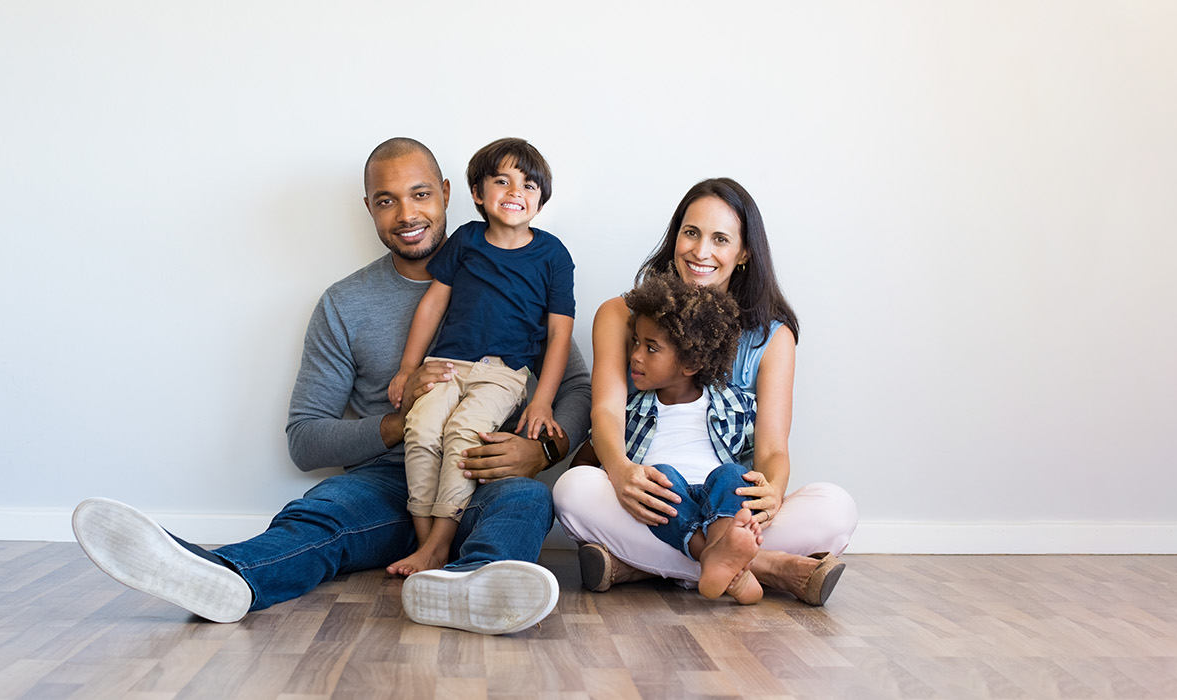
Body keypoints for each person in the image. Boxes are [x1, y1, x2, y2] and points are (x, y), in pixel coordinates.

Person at [72, 137, 593, 635]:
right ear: (369, 208)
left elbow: (574, 386)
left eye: (420, 194)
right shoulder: (345, 304)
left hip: (485, 474)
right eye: (387, 201)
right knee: (321, 513)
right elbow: (305, 440)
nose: (407, 215)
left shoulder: (518, 277)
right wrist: (400, 420)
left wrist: (540, 449)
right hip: (387, 484)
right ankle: (224, 576)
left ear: (449, 194)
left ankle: (466, 587)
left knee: (526, 502)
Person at [553, 178, 857, 606]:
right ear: (675, 234)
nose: (700, 252)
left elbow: (772, 448)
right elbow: (604, 411)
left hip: (729, 506)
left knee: (836, 507)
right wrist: (621, 474)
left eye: (720, 239)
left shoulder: (773, 337)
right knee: (574, 490)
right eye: (691, 233)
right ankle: (770, 567)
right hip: (651, 496)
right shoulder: (621, 315)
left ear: (744, 252)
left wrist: (771, 493)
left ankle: (643, 566)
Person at [385, 138, 574, 577]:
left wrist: (542, 400)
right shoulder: (466, 240)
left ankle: (440, 544)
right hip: (447, 364)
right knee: (422, 427)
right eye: (502, 181)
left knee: (463, 432)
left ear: (541, 201)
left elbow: (560, 335)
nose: (515, 192)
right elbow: (433, 304)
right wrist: (408, 368)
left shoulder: (553, 255)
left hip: (502, 374)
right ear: (477, 193)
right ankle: (425, 542)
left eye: (528, 185)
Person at [617, 273, 763, 604]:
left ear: (693, 362)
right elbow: (596, 457)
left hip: (718, 502)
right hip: (668, 500)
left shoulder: (735, 404)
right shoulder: (629, 410)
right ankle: (717, 560)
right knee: (661, 477)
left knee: (733, 475)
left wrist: (765, 494)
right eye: (636, 343)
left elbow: (756, 465)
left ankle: (722, 546)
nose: (636, 356)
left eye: (651, 348)